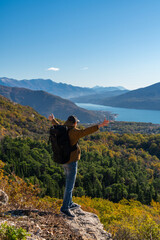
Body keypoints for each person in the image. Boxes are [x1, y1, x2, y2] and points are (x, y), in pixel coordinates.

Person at [48, 114, 109, 217]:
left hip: (64, 160)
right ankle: (65, 208)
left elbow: (57, 124)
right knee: (69, 186)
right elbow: (86, 131)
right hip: (71, 161)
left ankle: (70, 203)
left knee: (69, 184)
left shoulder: (63, 128)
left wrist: (52, 120)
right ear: (75, 123)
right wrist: (100, 125)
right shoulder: (74, 132)